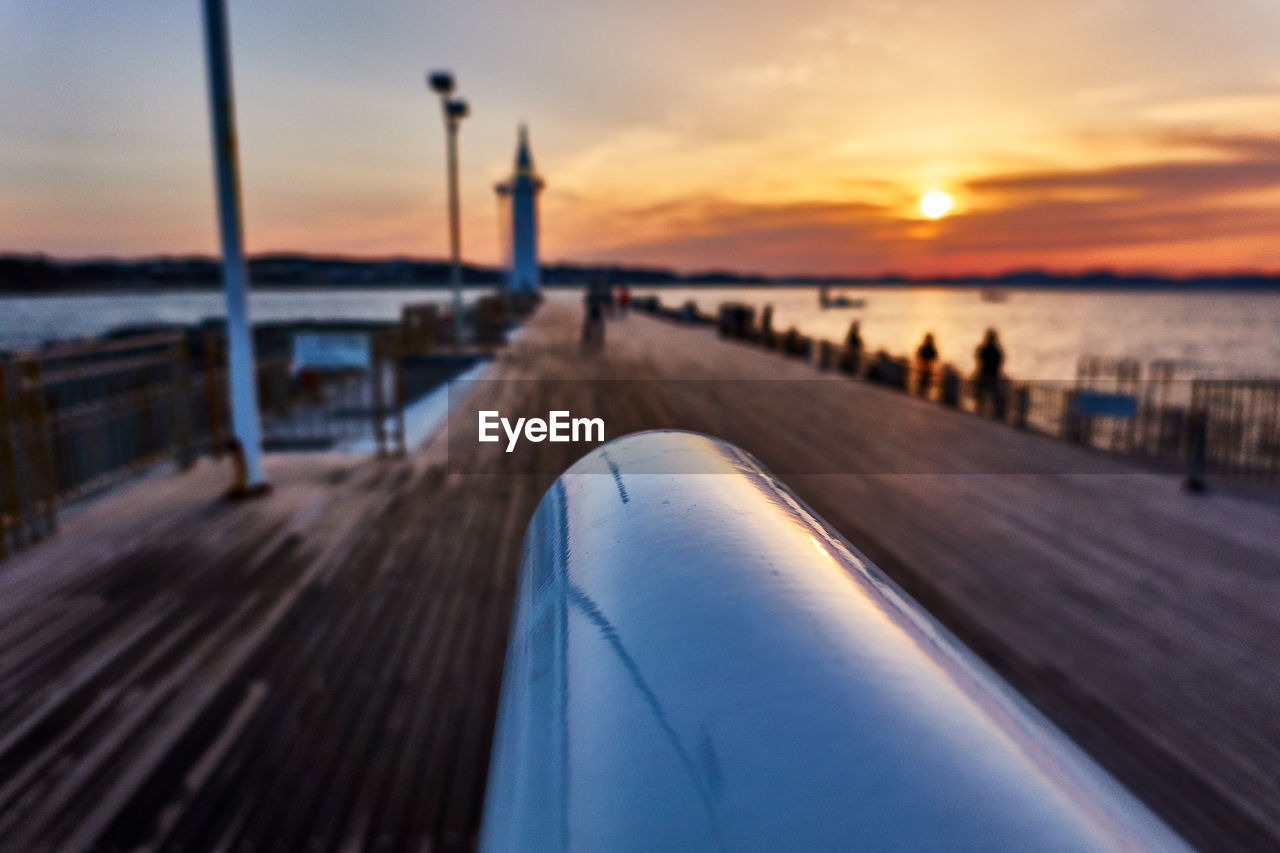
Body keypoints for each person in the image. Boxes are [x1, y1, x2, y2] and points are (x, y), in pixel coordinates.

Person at [974, 328, 1005, 416]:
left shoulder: (984, 349)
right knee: (993, 395)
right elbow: (1000, 362)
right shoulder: (996, 350)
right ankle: (995, 413)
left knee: (981, 394)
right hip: (991, 375)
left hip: (985, 374)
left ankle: (980, 410)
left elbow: (978, 358)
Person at [582, 280, 606, 349]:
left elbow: (586, 301)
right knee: (591, 325)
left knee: (591, 325)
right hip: (594, 310)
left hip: (595, 310)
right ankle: (590, 339)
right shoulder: (596, 294)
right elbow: (586, 301)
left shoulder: (592, 294)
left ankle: (591, 339)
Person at [915, 333, 938, 397]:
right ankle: (923, 392)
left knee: (924, 380)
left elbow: (918, 354)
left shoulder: (925, 347)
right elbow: (935, 357)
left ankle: (922, 391)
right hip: (926, 367)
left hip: (926, 367)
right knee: (924, 380)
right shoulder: (930, 348)